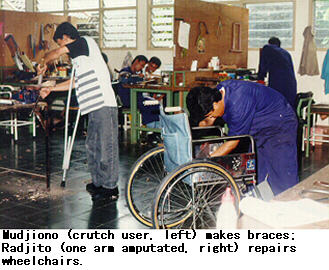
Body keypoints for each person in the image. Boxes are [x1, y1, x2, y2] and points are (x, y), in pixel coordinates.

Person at [37, 22, 119, 200]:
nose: (61, 47)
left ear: (65, 37)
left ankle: (110, 188)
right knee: (93, 146)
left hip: (104, 103)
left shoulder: (85, 42)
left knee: (106, 147)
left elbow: (55, 53)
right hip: (92, 106)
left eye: (60, 43)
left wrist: (44, 62)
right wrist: (51, 89)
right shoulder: (80, 58)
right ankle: (99, 183)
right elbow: (75, 82)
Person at [187, 80, 299, 195]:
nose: (211, 117)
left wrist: (206, 162)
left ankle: (289, 205)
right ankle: (261, 204)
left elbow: (232, 143)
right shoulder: (218, 94)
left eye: (210, 114)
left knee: (282, 173)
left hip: (280, 126)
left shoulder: (238, 102)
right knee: (255, 172)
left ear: (215, 105)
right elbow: (208, 120)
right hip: (259, 129)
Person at [258, 37, 297, 108]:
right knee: (287, 106)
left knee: (275, 104)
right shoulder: (286, 52)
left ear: (269, 43)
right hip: (291, 83)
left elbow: (263, 64)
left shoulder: (267, 48)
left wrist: (261, 78)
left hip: (278, 81)